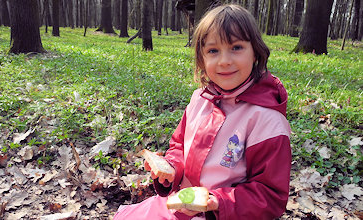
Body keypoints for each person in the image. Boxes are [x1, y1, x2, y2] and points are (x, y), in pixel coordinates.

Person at [114, 4, 291, 220]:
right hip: (182, 206)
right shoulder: (199, 100)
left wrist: (217, 202)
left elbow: (270, 196)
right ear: (202, 58)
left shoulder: (266, 120)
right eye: (213, 51)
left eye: (236, 47)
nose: (225, 61)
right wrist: (171, 170)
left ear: (255, 52)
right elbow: (179, 146)